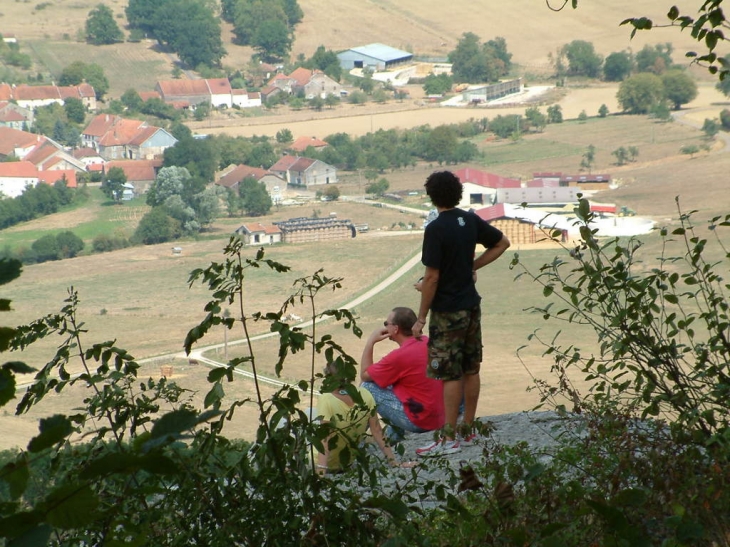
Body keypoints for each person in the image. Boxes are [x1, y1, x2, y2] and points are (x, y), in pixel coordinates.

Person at [412, 170, 511, 456]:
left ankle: (448, 439)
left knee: (450, 375)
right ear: (457, 193)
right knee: (471, 368)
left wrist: (420, 318)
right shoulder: (469, 219)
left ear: (432, 196)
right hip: (471, 306)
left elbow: (432, 277)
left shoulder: (435, 229)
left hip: (447, 311)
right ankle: (467, 432)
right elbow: (501, 243)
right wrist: (473, 267)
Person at [360, 307, 444, 440]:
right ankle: (394, 440)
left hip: (422, 421)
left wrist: (371, 342)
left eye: (386, 324)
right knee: (394, 384)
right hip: (441, 416)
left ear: (395, 329)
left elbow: (365, 374)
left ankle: (356, 443)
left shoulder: (398, 357)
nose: (385, 327)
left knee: (367, 387)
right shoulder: (429, 342)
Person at [315, 362, 416, 474]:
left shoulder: (326, 399)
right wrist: (394, 462)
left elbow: (325, 439)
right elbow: (377, 431)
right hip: (347, 462)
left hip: (325, 463)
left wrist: (320, 473)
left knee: (310, 413)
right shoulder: (365, 394)